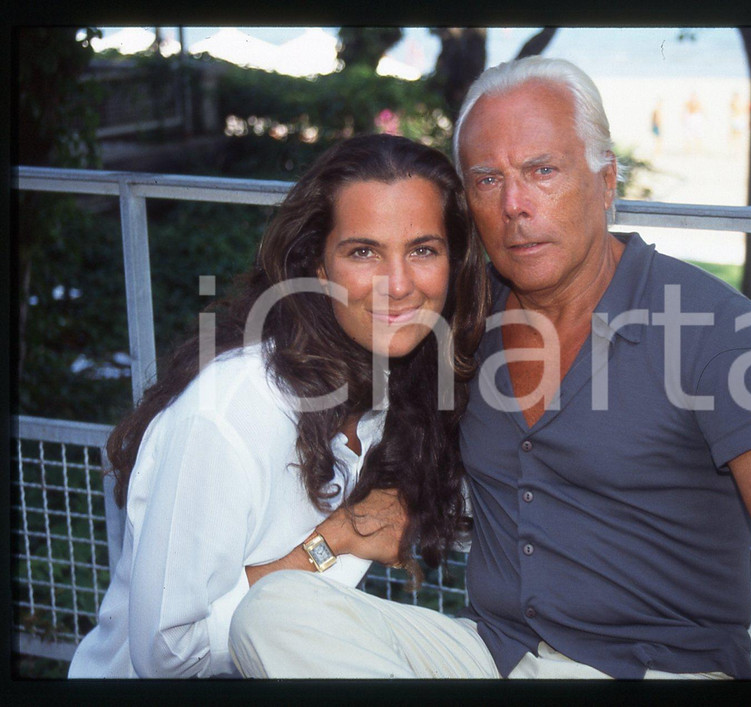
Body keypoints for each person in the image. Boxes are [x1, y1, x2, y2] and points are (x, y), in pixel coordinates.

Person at [229, 57, 751, 680]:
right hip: (492, 655)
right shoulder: (467, 325)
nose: (514, 204)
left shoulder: (709, 326)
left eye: (542, 170)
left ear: (606, 181)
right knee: (274, 614)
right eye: (486, 179)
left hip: (652, 671)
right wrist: (350, 523)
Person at [67, 134, 489, 678]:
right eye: (364, 251)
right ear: (319, 267)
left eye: (423, 250)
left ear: (453, 264)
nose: (399, 284)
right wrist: (336, 538)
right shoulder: (232, 411)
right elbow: (168, 654)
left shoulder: (395, 387)